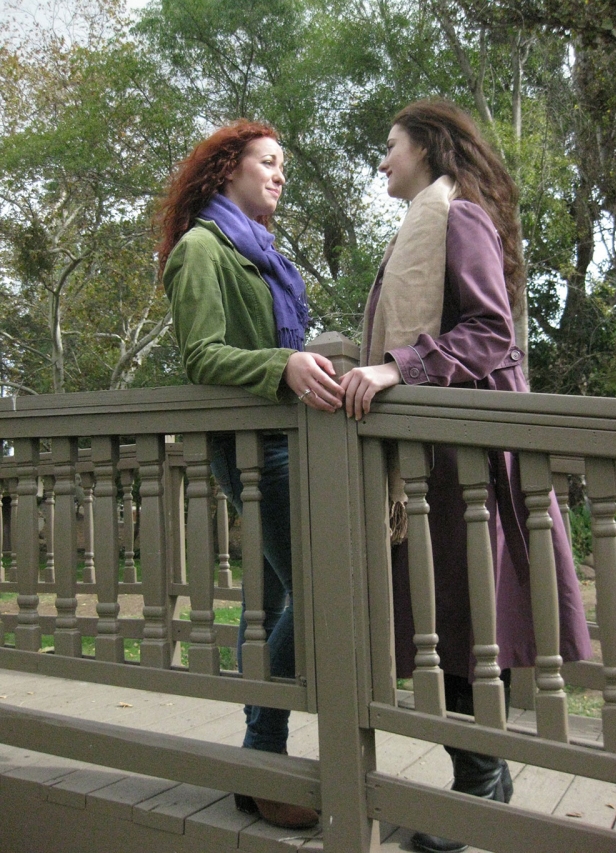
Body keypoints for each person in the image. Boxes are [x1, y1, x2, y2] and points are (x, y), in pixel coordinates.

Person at [340, 100, 592, 853]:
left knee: (456, 620)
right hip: (434, 461)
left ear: (427, 146)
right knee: (440, 620)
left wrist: (396, 367)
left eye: (390, 145)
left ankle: (479, 785)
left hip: (467, 459)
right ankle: (486, 782)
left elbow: (489, 331)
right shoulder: (423, 220)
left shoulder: (461, 216)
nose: (382, 160)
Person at [157, 120, 343, 830]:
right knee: (317, 585)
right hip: (252, 448)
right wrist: (283, 365)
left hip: (282, 439)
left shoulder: (259, 252)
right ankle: (261, 752)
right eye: (268, 162)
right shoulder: (202, 248)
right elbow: (202, 356)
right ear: (227, 166)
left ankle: (253, 760)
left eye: (283, 166)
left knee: (269, 597)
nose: (280, 175)